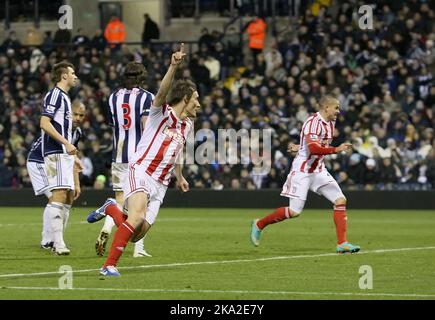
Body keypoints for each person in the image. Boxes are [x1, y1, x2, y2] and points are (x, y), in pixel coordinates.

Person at [87, 44, 201, 276]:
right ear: (186, 98)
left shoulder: (188, 125)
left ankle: (111, 207)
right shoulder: (160, 113)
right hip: (141, 171)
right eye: (196, 99)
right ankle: (108, 266)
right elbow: (161, 94)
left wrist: (179, 176)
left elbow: (177, 151)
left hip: (161, 183)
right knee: (136, 217)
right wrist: (173, 66)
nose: (199, 104)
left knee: (137, 234)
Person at [250, 95, 361, 254]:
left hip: (318, 169)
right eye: (336, 107)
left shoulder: (330, 123)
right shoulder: (312, 122)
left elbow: (315, 143)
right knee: (294, 212)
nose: (338, 111)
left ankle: (342, 243)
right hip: (302, 170)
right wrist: (336, 149)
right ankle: (259, 224)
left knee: (340, 200)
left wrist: (300, 146)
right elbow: (315, 148)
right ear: (326, 108)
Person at [94, 61, 155, 258]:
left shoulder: (113, 98)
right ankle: (139, 248)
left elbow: (114, 125)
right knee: (142, 202)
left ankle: (107, 227)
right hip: (139, 158)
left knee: (121, 200)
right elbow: (147, 127)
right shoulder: (148, 97)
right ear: (142, 77)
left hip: (119, 155)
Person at [27, 100, 86, 251]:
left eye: (82, 115)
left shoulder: (77, 133)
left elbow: (71, 157)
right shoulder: (59, 126)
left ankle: (57, 239)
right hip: (38, 161)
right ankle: (48, 241)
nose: (78, 118)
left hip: (58, 162)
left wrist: (76, 184)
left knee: (69, 196)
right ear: (68, 113)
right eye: (75, 114)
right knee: (55, 198)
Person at [39, 62, 79, 255]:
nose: (75, 76)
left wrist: (71, 151)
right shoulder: (55, 95)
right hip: (55, 151)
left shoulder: (64, 97)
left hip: (64, 152)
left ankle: (55, 241)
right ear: (63, 76)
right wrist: (66, 143)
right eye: (72, 73)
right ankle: (58, 243)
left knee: (68, 196)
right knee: (60, 194)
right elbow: (44, 123)